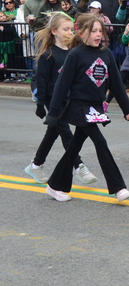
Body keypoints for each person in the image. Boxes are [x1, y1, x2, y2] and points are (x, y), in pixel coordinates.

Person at [42, 13, 129, 203]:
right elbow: (61, 85)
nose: (98, 34)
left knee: (74, 147)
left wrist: (127, 108)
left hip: (95, 107)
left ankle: (54, 185)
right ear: (82, 33)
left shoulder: (106, 54)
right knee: (100, 141)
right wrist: (53, 113)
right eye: (93, 31)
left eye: (100, 31)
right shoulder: (75, 54)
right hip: (78, 106)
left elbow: (117, 84)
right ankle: (118, 187)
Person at [25, 13, 98, 186]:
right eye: (65, 29)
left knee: (53, 133)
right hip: (52, 100)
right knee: (66, 132)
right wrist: (40, 103)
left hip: (69, 99)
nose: (69, 32)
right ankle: (79, 167)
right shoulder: (48, 55)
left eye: (71, 29)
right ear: (54, 31)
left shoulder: (73, 53)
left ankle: (35, 165)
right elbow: (41, 81)